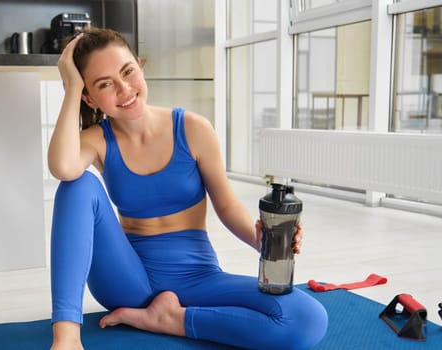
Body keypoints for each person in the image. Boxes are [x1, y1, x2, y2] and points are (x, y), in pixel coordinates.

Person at [47, 27, 327, 350]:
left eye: (128, 72)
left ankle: (171, 319)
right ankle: (66, 339)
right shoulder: (97, 139)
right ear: (89, 97)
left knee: (307, 318)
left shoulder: (193, 129)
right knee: (77, 184)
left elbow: (227, 205)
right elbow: (63, 167)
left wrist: (260, 240)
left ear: (140, 65)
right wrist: (70, 86)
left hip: (199, 277)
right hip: (128, 280)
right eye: (105, 84)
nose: (124, 89)